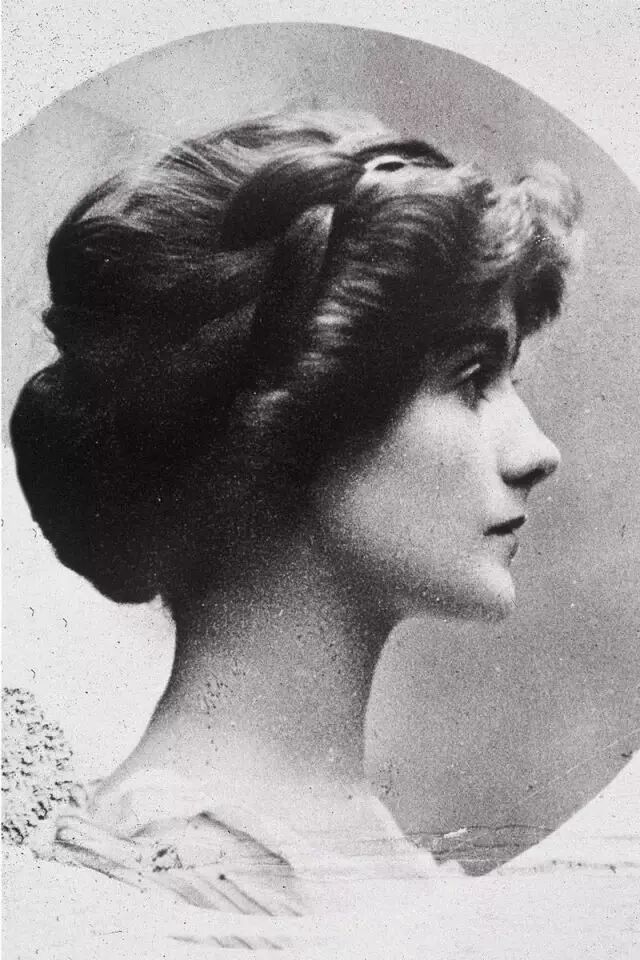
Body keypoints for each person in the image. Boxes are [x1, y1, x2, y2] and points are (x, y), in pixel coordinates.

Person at [9, 110, 581, 948]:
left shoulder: (365, 869)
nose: (538, 452)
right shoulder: (173, 886)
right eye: (470, 378)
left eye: (510, 379)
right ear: (293, 416)